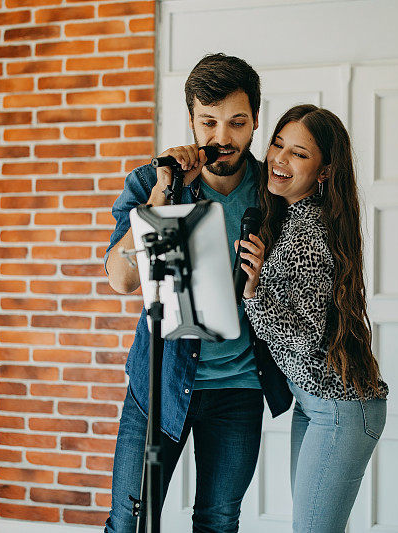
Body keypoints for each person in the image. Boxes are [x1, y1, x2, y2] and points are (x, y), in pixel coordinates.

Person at [103, 53, 291, 533]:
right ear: (190, 120)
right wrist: (162, 198)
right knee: (129, 523)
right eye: (208, 122)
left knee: (218, 522)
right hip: (160, 382)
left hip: (239, 389)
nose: (222, 138)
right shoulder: (152, 182)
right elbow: (120, 279)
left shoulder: (275, 195)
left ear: (255, 124)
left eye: (237, 122)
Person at [239, 104, 390, 532]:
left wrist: (253, 293)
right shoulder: (289, 218)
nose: (280, 159)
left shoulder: (310, 231)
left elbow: (304, 337)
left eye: (299, 154)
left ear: (324, 171)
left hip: (339, 409)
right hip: (314, 403)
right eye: (278, 144)